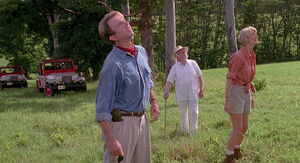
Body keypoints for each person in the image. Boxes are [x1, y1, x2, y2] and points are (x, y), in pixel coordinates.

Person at [96, 11, 160, 163]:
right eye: (120, 24)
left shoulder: (141, 52)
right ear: (113, 37)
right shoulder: (112, 65)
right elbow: (102, 109)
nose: (127, 23)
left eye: (125, 20)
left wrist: (154, 102)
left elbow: (147, 81)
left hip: (142, 120)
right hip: (122, 125)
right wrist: (111, 140)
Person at [223, 26, 258, 163]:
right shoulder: (238, 56)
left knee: (244, 127)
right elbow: (230, 78)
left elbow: (248, 78)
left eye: (256, 34)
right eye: (253, 35)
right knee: (237, 128)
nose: (256, 37)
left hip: (245, 91)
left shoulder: (251, 56)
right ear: (246, 39)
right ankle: (229, 156)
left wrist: (250, 95)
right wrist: (228, 100)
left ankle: (237, 150)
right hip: (236, 91)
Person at [163, 45, 204, 134]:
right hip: (181, 95)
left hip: (193, 93)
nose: (183, 53)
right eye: (180, 52)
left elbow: (200, 77)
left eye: (183, 51)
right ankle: (185, 132)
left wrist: (201, 90)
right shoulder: (175, 67)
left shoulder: (193, 63)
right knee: (183, 115)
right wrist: (166, 91)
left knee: (194, 113)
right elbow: (169, 81)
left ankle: (194, 132)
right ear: (177, 56)